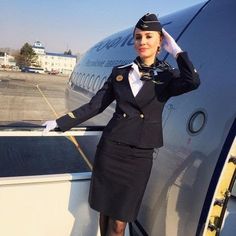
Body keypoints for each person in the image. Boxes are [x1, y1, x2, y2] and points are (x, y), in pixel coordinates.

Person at [43, 13, 200, 236]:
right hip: (111, 150)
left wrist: (176, 51)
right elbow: (95, 105)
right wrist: (61, 122)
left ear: (160, 42)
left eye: (148, 36)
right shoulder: (120, 73)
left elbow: (193, 81)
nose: (142, 42)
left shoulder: (167, 76)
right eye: (138, 37)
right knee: (104, 213)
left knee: (119, 223)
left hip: (138, 157)